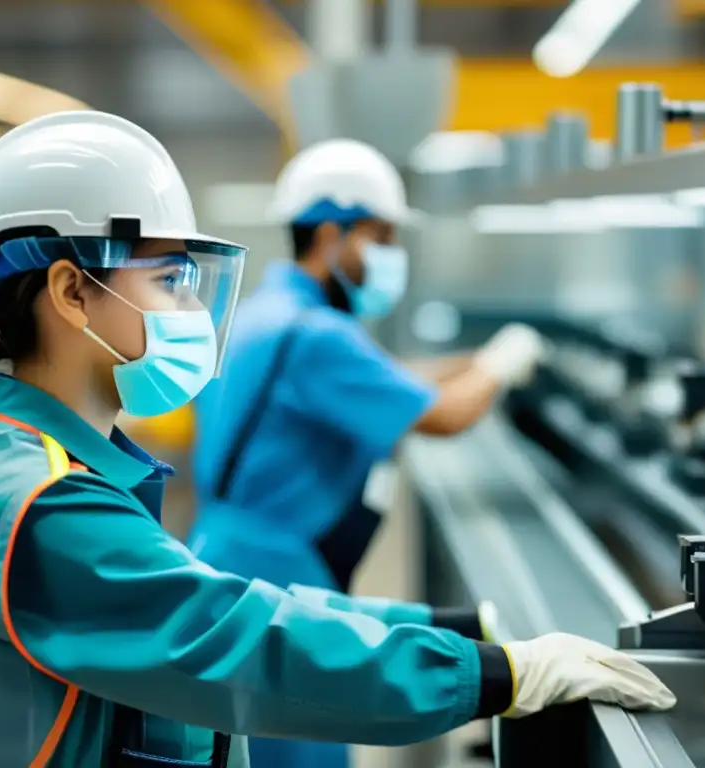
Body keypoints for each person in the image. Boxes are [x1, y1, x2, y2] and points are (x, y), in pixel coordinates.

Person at [0, 111, 674, 768]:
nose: (188, 310)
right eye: (166, 280)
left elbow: (246, 608)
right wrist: (496, 674)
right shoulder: (43, 508)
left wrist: (452, 629)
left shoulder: (48, 467)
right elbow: (246, 641)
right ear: (72, 291)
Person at [186, 139, 558, 768]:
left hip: (230, 547)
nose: (391, 256)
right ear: (332, 235)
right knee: (297, 747)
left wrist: (472, 360)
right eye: (381, 237)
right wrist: (498, 366)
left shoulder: (269, 316)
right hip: (276, 565)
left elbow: (387, 378)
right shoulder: (315, 336)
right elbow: (442, 417)